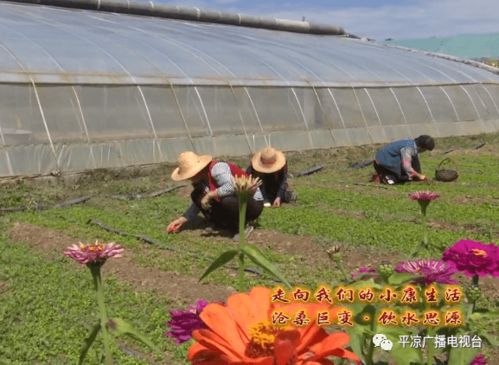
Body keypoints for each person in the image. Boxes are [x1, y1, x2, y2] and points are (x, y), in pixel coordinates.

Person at [166, 151, 263, 238]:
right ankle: (221, 224)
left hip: (252, 202)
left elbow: (232, 186)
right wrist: (183, 219)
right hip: (236, 201)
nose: (188, 178)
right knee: (196, 194)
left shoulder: (217, 170)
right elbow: (198, 203)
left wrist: (210, 195)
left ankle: (243, 225)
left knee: (226, 200)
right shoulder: (201, 179)